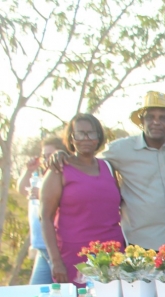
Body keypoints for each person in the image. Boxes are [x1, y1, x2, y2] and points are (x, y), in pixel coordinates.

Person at [98, 91, 165, 250]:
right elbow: (86, 162)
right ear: (142, 121)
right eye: (150, 117)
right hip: (140, 247)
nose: (156, 122)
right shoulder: (121, 149)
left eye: (163, 117)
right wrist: (62, 157)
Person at [38, 115, 124, 283]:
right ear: (71, 138)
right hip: (74, 256)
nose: (86, 139)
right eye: (80, 134)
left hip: (112, 254)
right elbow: (45, 218)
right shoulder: (59, 169)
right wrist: (56, 261)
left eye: (91, 133)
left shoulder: (108, 167)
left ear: (98, 137)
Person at [18, 137, 64, 285]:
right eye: (44, 156)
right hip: (40, 248)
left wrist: (43, 195)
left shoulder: (60, 177)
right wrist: (28, 171)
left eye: (50, 155)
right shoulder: (40, 177)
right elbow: (21, 190)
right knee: (36, 295)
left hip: (55, 248)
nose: (46, 159)